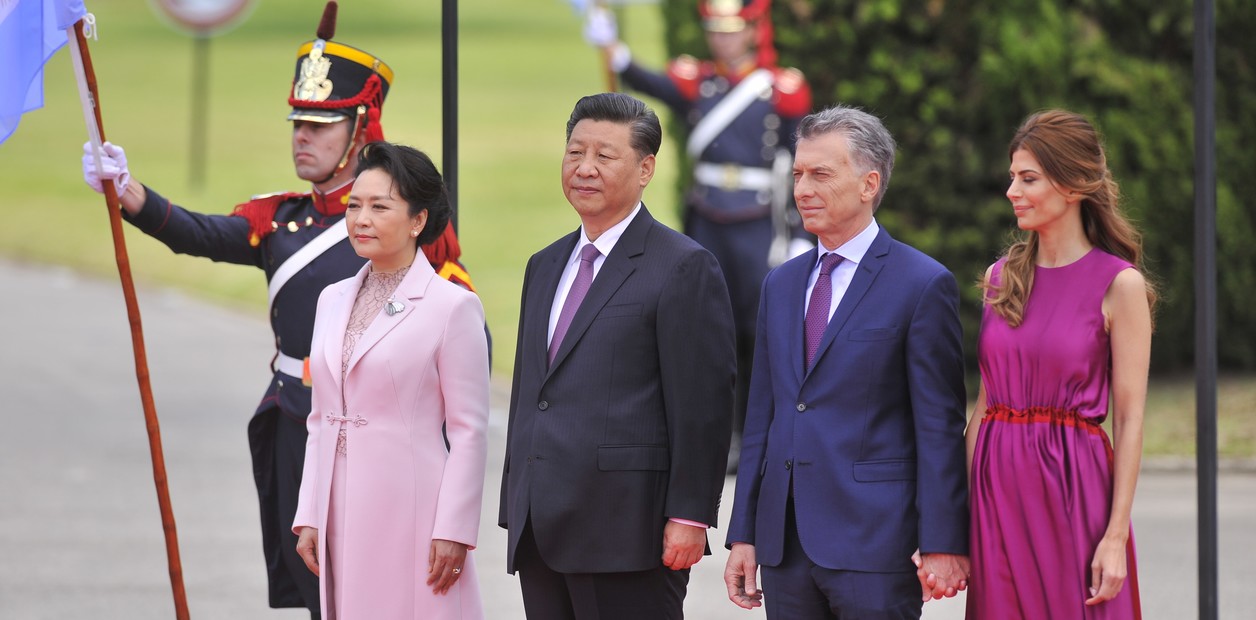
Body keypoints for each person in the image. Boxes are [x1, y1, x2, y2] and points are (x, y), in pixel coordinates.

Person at [78, 4, 478, 616]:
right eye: (298, 124)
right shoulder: (280, 216)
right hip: (300, 418)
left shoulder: (409, 231)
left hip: (392, 441)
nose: (302, 137)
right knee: (313, 578)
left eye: (320, 125)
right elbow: (201, 234)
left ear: (360, 130)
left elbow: (455, 366)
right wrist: (129, 192)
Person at [723, 105, 970, 619]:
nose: (802, 189)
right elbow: (762, 418)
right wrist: (744, 534)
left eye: (820, 174)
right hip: (785, 548)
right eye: (797, 174)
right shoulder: (781, 284)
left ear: (868, 184)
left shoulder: (922, 284)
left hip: (876, 545)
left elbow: (939, 426)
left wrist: (944, 541)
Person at [498, 92, 737, 619]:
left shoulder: (682, 266)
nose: (584, 168)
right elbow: (531, 393)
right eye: (574, 152)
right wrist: (516, 500)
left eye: (604, 156)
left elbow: (703, 407)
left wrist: (691, 515)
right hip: (540, 527)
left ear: (646, 168)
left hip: (627, 534)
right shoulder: (545, 265)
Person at [584, 0, 812, 471]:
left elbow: (798, 164)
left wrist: (797, 230)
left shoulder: (779, 89)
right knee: (709, 327)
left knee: (756, 328)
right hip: (707, 218)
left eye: (731, 31)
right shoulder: (698, 81)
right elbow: (646, 84)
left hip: (757, 222)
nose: (721, 39)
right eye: (714, 30)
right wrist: (614, 47)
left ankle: (754, 433)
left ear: (751, 32)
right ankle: (717, 434)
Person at [966, 110, 1153, 619]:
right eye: (1012, 178)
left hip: (1074, 491)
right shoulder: (1000, 278)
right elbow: (983, 407)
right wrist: (954, 521)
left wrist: (1115, 536)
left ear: (1072, 185)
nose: (1012, 191)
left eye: (1028, 179)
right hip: (994, 493)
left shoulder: (1120, 285)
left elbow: (1131, 418)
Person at [291, 141, 488, 619]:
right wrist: (310, 514)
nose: (361, 219)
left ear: (418, 220)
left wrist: (454, 529)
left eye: (380, 207)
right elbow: (320, 418)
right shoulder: (332, 299)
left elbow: (469, 431)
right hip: (339, 504)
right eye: (354, 205)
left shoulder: (452, 306)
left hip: (413, 510)